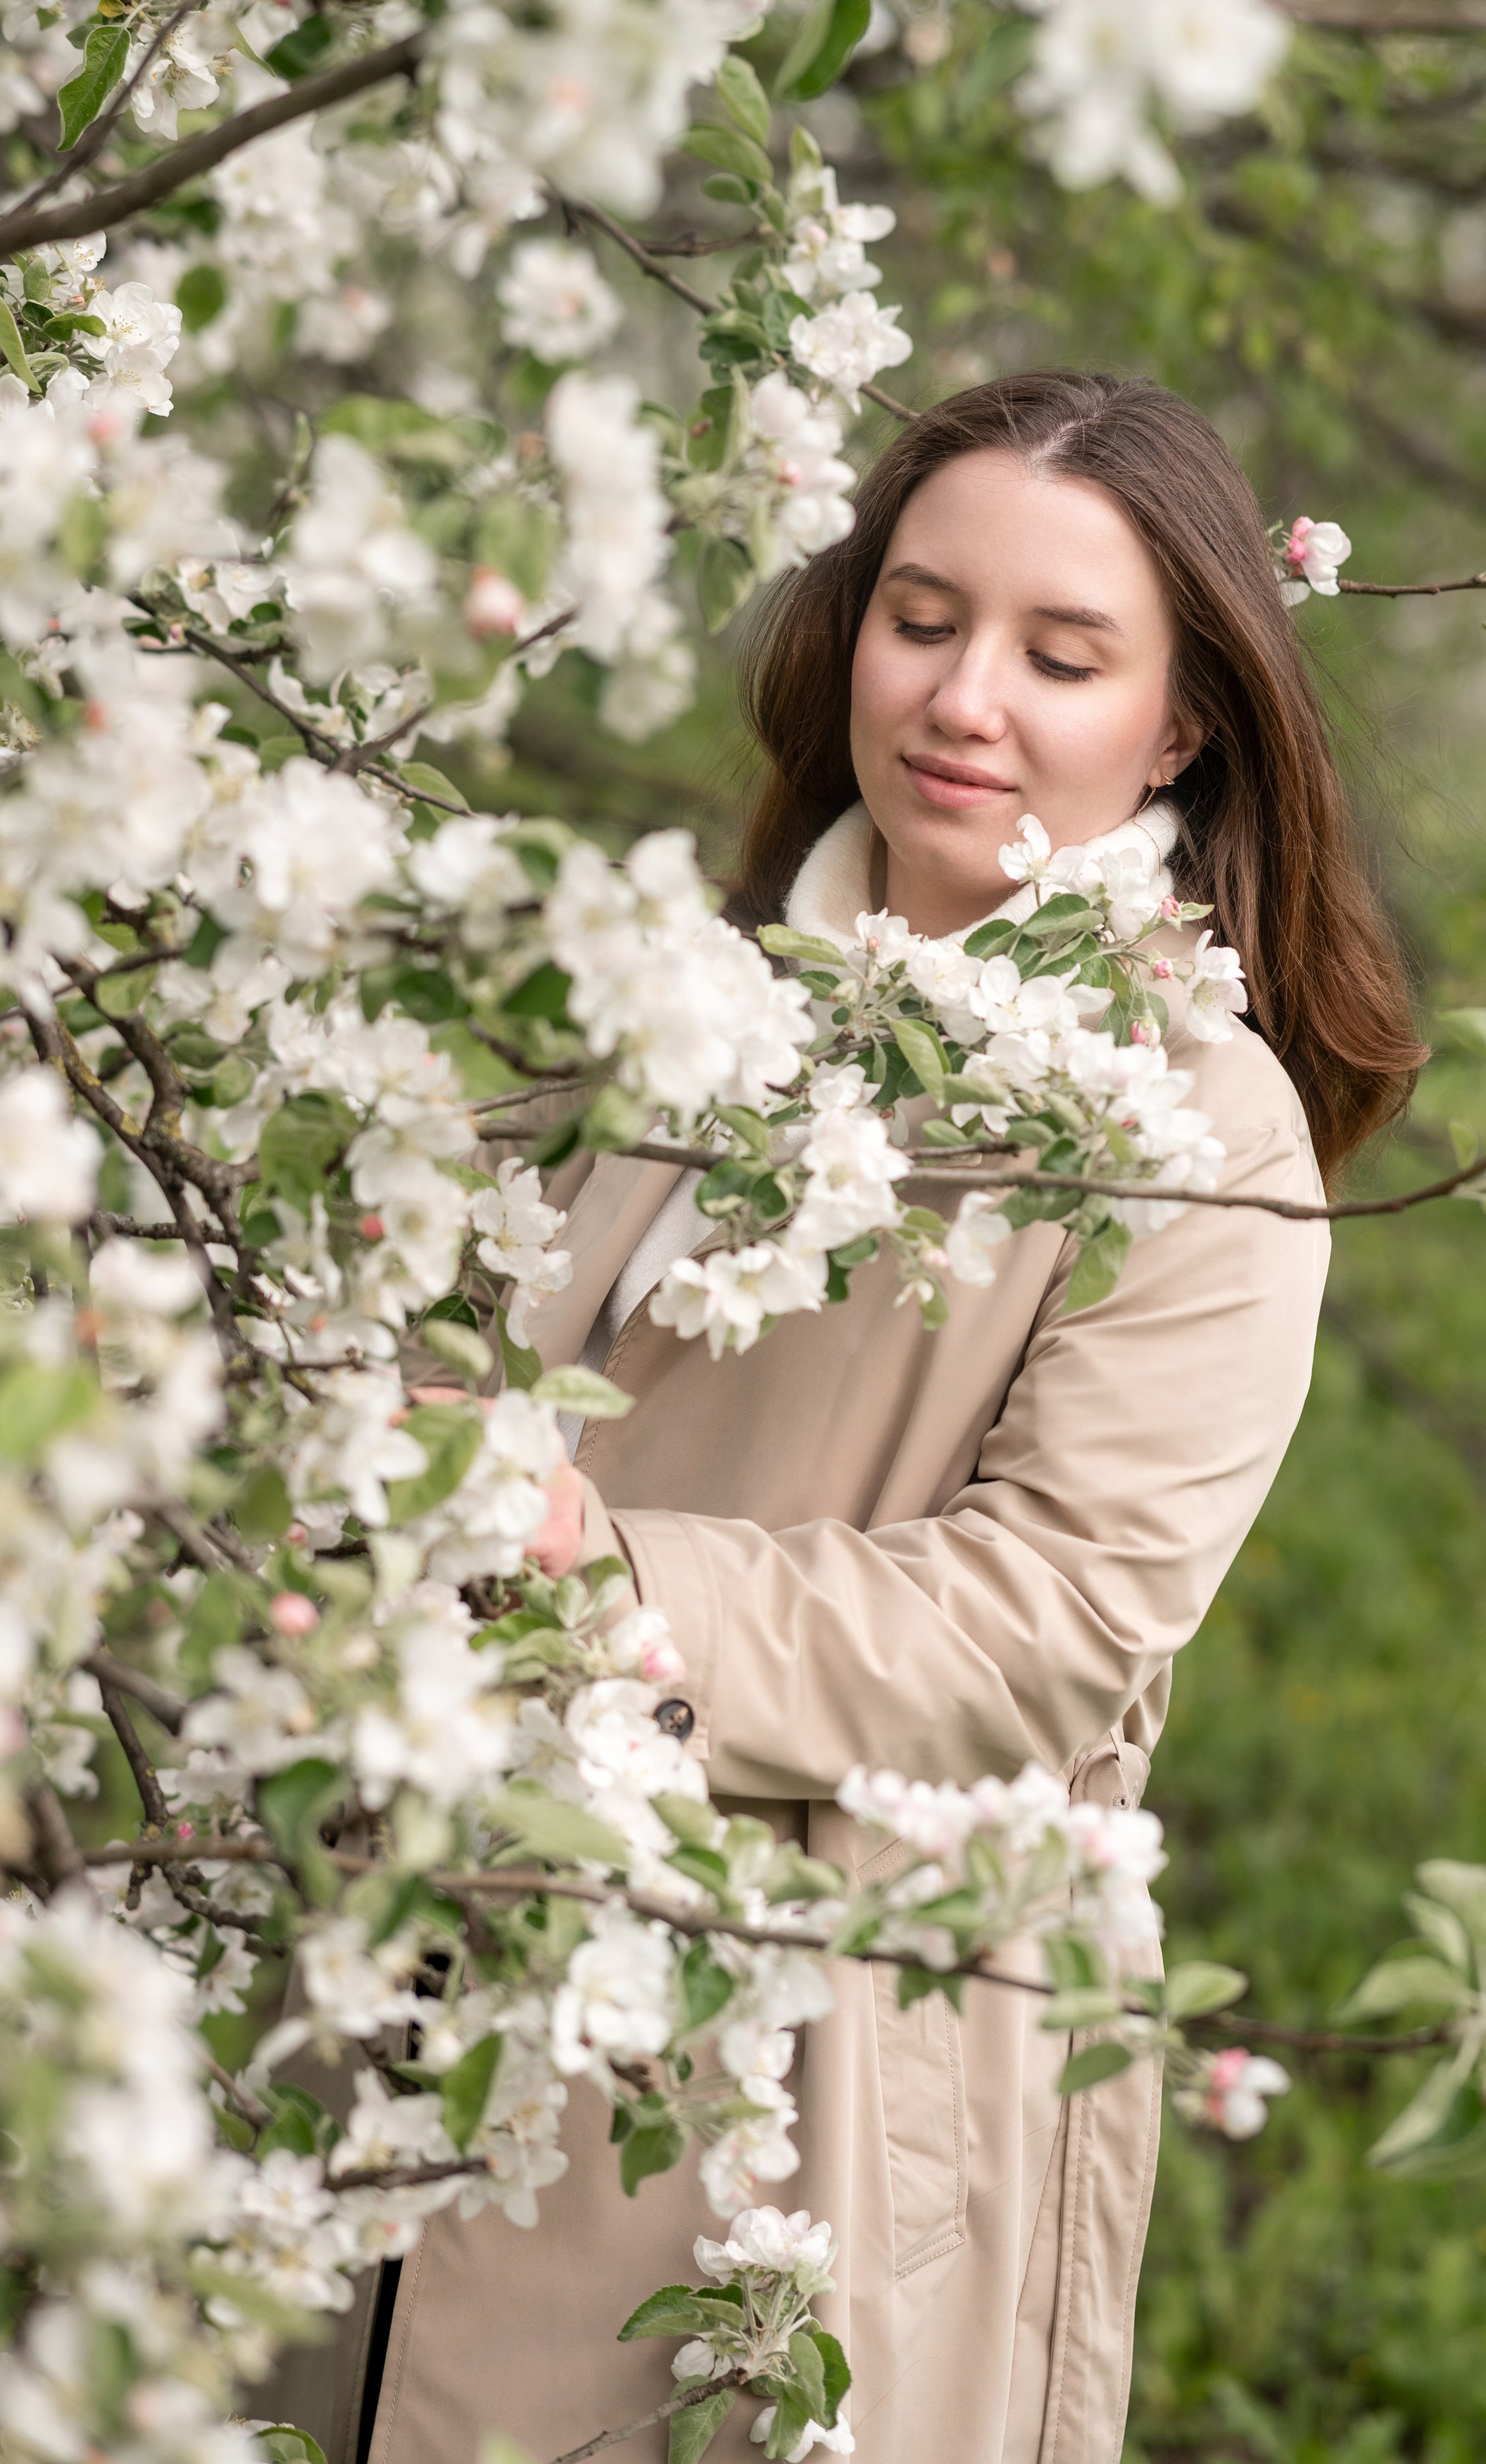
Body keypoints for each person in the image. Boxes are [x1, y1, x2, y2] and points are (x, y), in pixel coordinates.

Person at [301, 370, 1421, 2464]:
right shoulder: (683, 1005)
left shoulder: (1198, 1124)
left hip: (798, 2048)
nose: (965, 697)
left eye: (1061, 655)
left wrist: (596, 1573)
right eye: (924, 618)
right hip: (444, 1930)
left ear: (1178, 725)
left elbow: (1052, 1619)